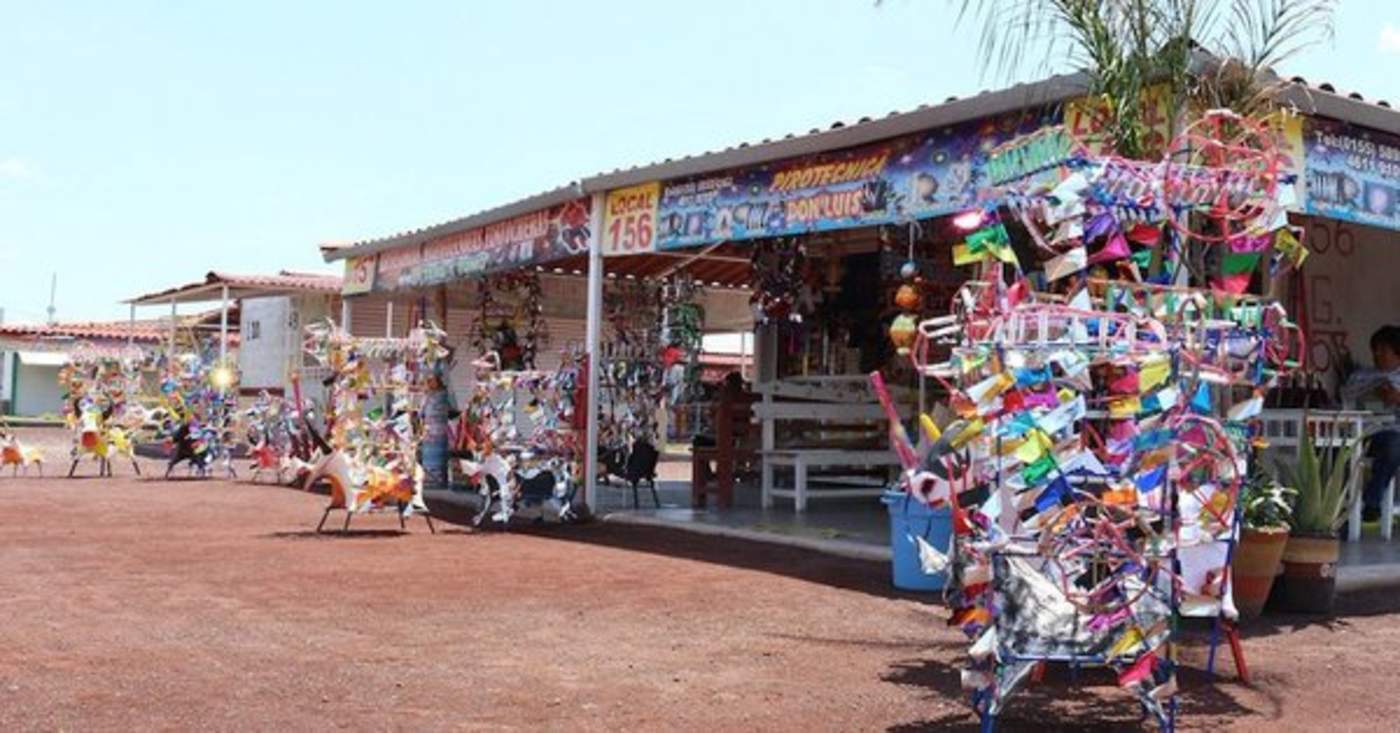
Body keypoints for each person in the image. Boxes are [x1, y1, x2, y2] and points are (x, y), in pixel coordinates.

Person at [1342, 325, 1400, 520]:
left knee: (1394, 445)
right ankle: (1338, 508)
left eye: (1383, 350)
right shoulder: (1361, 376)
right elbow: (1345, 399)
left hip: (1391, 434)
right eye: (1375, 349)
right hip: (1361, 432)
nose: (1377, 354)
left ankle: (1372, 502)